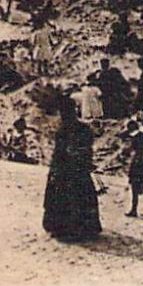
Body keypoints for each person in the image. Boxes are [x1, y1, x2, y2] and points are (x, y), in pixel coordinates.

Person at [43, 97, 101, 241]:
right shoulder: (81, 129)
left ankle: (66, 229)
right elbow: (87, 150)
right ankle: (83, 229)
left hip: (67, 170)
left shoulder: (64, 130)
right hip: (76, 170)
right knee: (80, 197)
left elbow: (59, 153)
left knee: (66, 197)